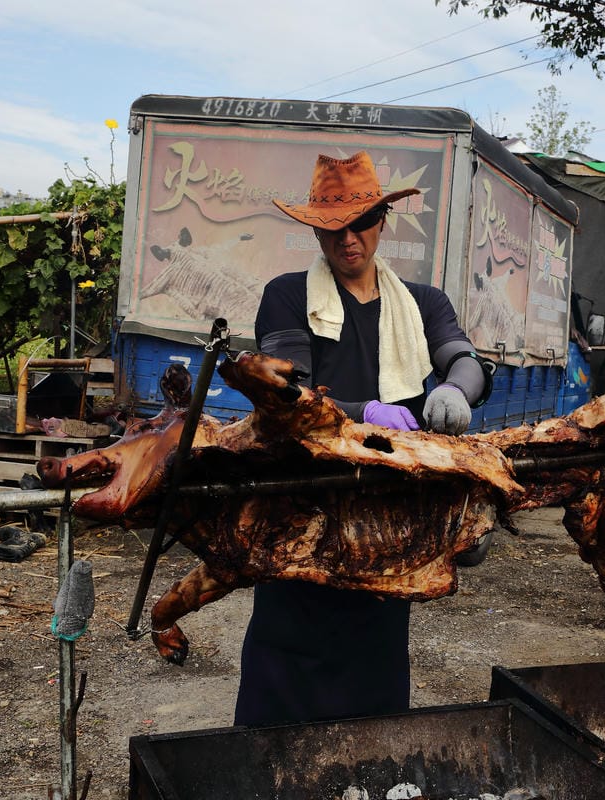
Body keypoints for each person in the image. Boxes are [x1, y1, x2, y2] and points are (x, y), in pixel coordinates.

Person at [234, 151, 490, 727]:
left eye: (362, 224)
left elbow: (466, 360)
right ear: (317, 232)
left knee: (373, 707)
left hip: (385, 526)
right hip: (305, 516)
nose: (349, 240)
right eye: (333, 229)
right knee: (280, 700)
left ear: (383, 221)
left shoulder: (424, 303)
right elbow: (286, 395)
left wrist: (456, 392)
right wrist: (363, 413)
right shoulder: (288, 295)